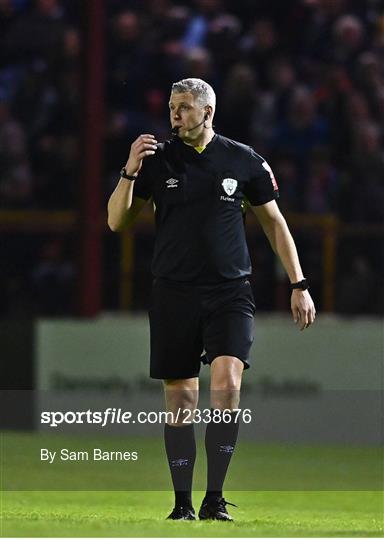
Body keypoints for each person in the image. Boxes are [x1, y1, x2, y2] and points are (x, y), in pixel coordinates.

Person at [107, 78, 316, 521]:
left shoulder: (243, 160)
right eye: (171, 107)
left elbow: (274, 224)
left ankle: (214, 499)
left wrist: (299, 284)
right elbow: (116, 222)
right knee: (182, 400)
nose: (175, 115)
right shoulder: (158, 161)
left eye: (184, 107)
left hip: (229, 293)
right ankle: (182, 504)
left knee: (228, 387)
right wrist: (129, 169)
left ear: (208, 113)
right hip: (173, 293)